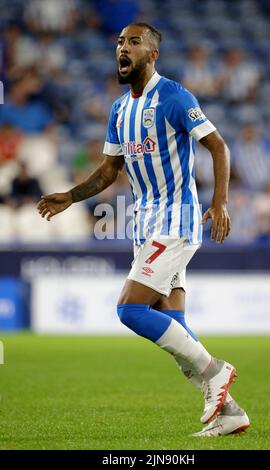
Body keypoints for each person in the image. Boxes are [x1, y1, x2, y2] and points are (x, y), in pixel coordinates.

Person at [37, 23, 249, 437]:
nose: (123, 47)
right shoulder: (120, 109)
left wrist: (220, 202)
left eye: (133, 42)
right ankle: (231, 413)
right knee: (173, 324)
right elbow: (110, 170)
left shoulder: (173, 96)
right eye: (119, 41)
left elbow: (218, 146)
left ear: (151, 55)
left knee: (130, 310)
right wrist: (72, 196)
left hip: (177, 218)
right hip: (145, 222)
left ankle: (217, 371)